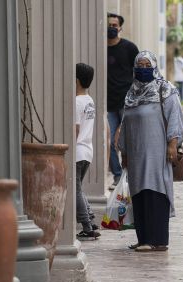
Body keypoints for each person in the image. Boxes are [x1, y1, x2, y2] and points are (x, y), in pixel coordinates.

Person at [118, 51, 183, 252]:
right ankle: (143, 238)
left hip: (157, 151)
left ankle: (157, 240)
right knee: (138, 193)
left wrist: (173, 144)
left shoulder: (165, 89)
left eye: (148, 65)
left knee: (155, 190)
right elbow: (125, 123)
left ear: (155, 67)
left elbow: (174, 117)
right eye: (140, 65)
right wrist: (125, 152)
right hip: (136, 153)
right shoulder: (132, 92)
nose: (143, 68)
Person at [107, 12, 139, 190]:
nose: (111, 28)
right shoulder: (99, 48)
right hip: (109, 105)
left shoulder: (129, 48)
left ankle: (131, 174)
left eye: (114, 25)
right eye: (109, 25)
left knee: (128, 140)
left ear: (120, 28)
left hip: (127, 103)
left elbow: (138, 74)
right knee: (110, 141)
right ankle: (118, 176)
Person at [75, 63, 101, 240]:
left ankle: (87, 226)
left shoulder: (76, 101)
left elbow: (75, 129)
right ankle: (90, 219)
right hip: (87, 150)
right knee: (78, 188)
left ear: (76, 80)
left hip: (77, 151)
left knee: (75, 190)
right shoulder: (89, 100)